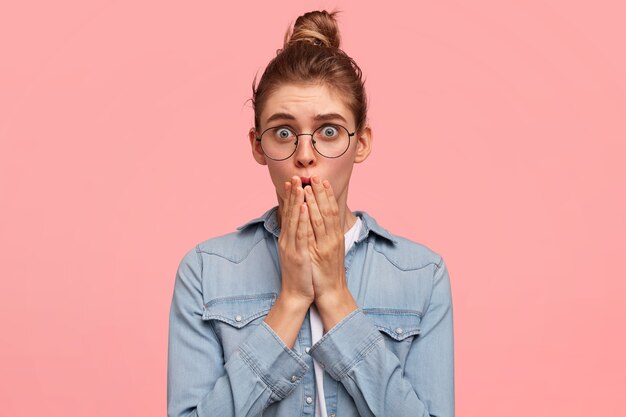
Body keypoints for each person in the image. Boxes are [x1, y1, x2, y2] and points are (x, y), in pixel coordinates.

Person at [167, 10, 454, 417]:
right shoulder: (205, 271)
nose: (305, 155)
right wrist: (292, 299)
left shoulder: (422, 275)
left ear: (362, 143)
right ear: (257, 145)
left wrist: (336, 298)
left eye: (329, 131)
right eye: (284, 132)